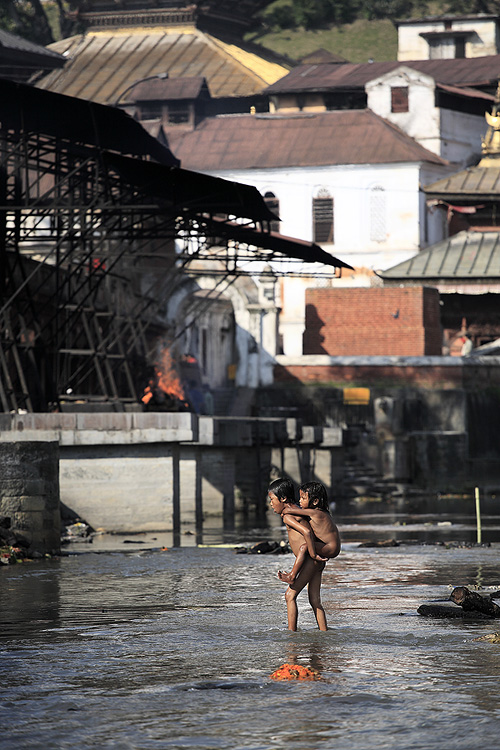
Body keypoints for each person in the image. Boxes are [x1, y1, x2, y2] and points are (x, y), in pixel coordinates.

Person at [268, 477, 328, 631]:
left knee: (289, 596)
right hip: (316, 561)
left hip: (311, 559)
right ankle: (324, 633)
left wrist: (313, 555)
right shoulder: (299, 510)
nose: (271, 504)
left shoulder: (289, 516)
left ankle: (291, 634)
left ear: (283, 499)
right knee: (315, 600)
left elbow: (306, 532)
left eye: (272, 499)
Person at [277, 481, 341, 585]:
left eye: (303, 498)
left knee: (304, 547)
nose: (300, 501)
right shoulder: (320, 512)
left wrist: (284, 511)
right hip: (330, 546)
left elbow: (289, 511)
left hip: (330, 548)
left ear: (315, 501)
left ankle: (292, 576)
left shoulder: (314, 513)